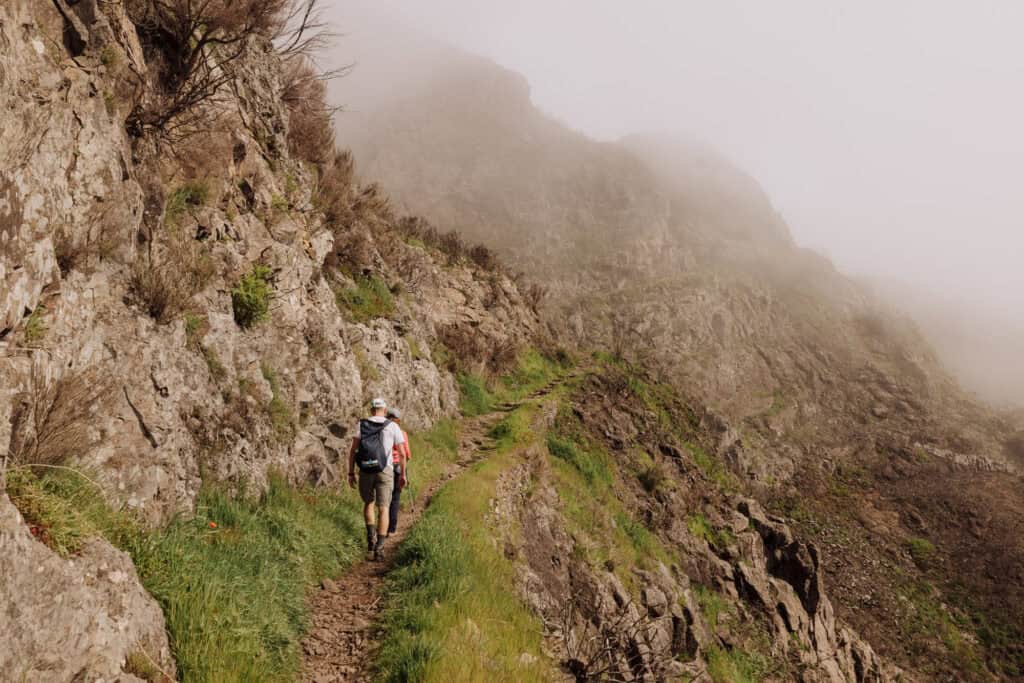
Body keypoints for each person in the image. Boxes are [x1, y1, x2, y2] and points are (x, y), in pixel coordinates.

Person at [348, 398, 406, 560]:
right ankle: (379, 549)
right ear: (385, 410)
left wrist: (351, 473)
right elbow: (401, 453)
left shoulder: (361, 424)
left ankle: (370, 540)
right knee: (384, 508)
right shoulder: (393, 426)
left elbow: (353, 450)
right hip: (385, 470)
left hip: (366, 469)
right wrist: (403, 475)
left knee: (369, 503)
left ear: (372, 409)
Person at [385, 407, 411, 536]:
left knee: (385, 498)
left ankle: (381, 527)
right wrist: (404, 472)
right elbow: (407, 454)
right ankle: (392, 529)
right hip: (398, 466)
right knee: (395, 498)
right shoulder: (402, 433)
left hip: (385, 467)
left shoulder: (382, 431)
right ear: (398, 420)